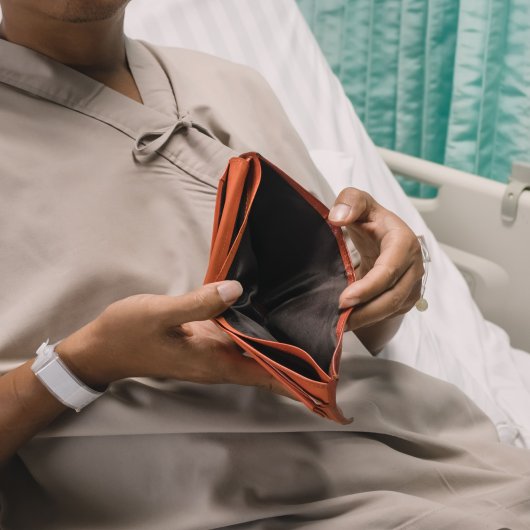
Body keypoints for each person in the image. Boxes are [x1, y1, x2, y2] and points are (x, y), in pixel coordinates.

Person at [0, 1, 528, 529]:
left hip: (412, 451)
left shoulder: (234, 84)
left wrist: (385, 281)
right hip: (187, 500)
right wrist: (82, 365)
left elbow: (333, 326)